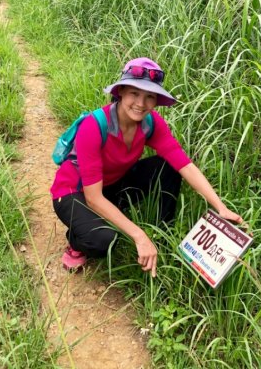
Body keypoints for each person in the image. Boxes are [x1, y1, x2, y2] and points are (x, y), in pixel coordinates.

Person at [51, 57, 244, 277]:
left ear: (156, 100)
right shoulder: (94, 126)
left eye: (149, 96)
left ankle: (163, 234)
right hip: (74, 192)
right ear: (121, 91)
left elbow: (184, 164)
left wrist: (220, 207)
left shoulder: (150, 123)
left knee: (168, 166)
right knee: (102, 239)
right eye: (134, 93)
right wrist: (139, 235)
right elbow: (93, 197)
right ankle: (76, 241)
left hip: (112, 185)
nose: (141, 104)